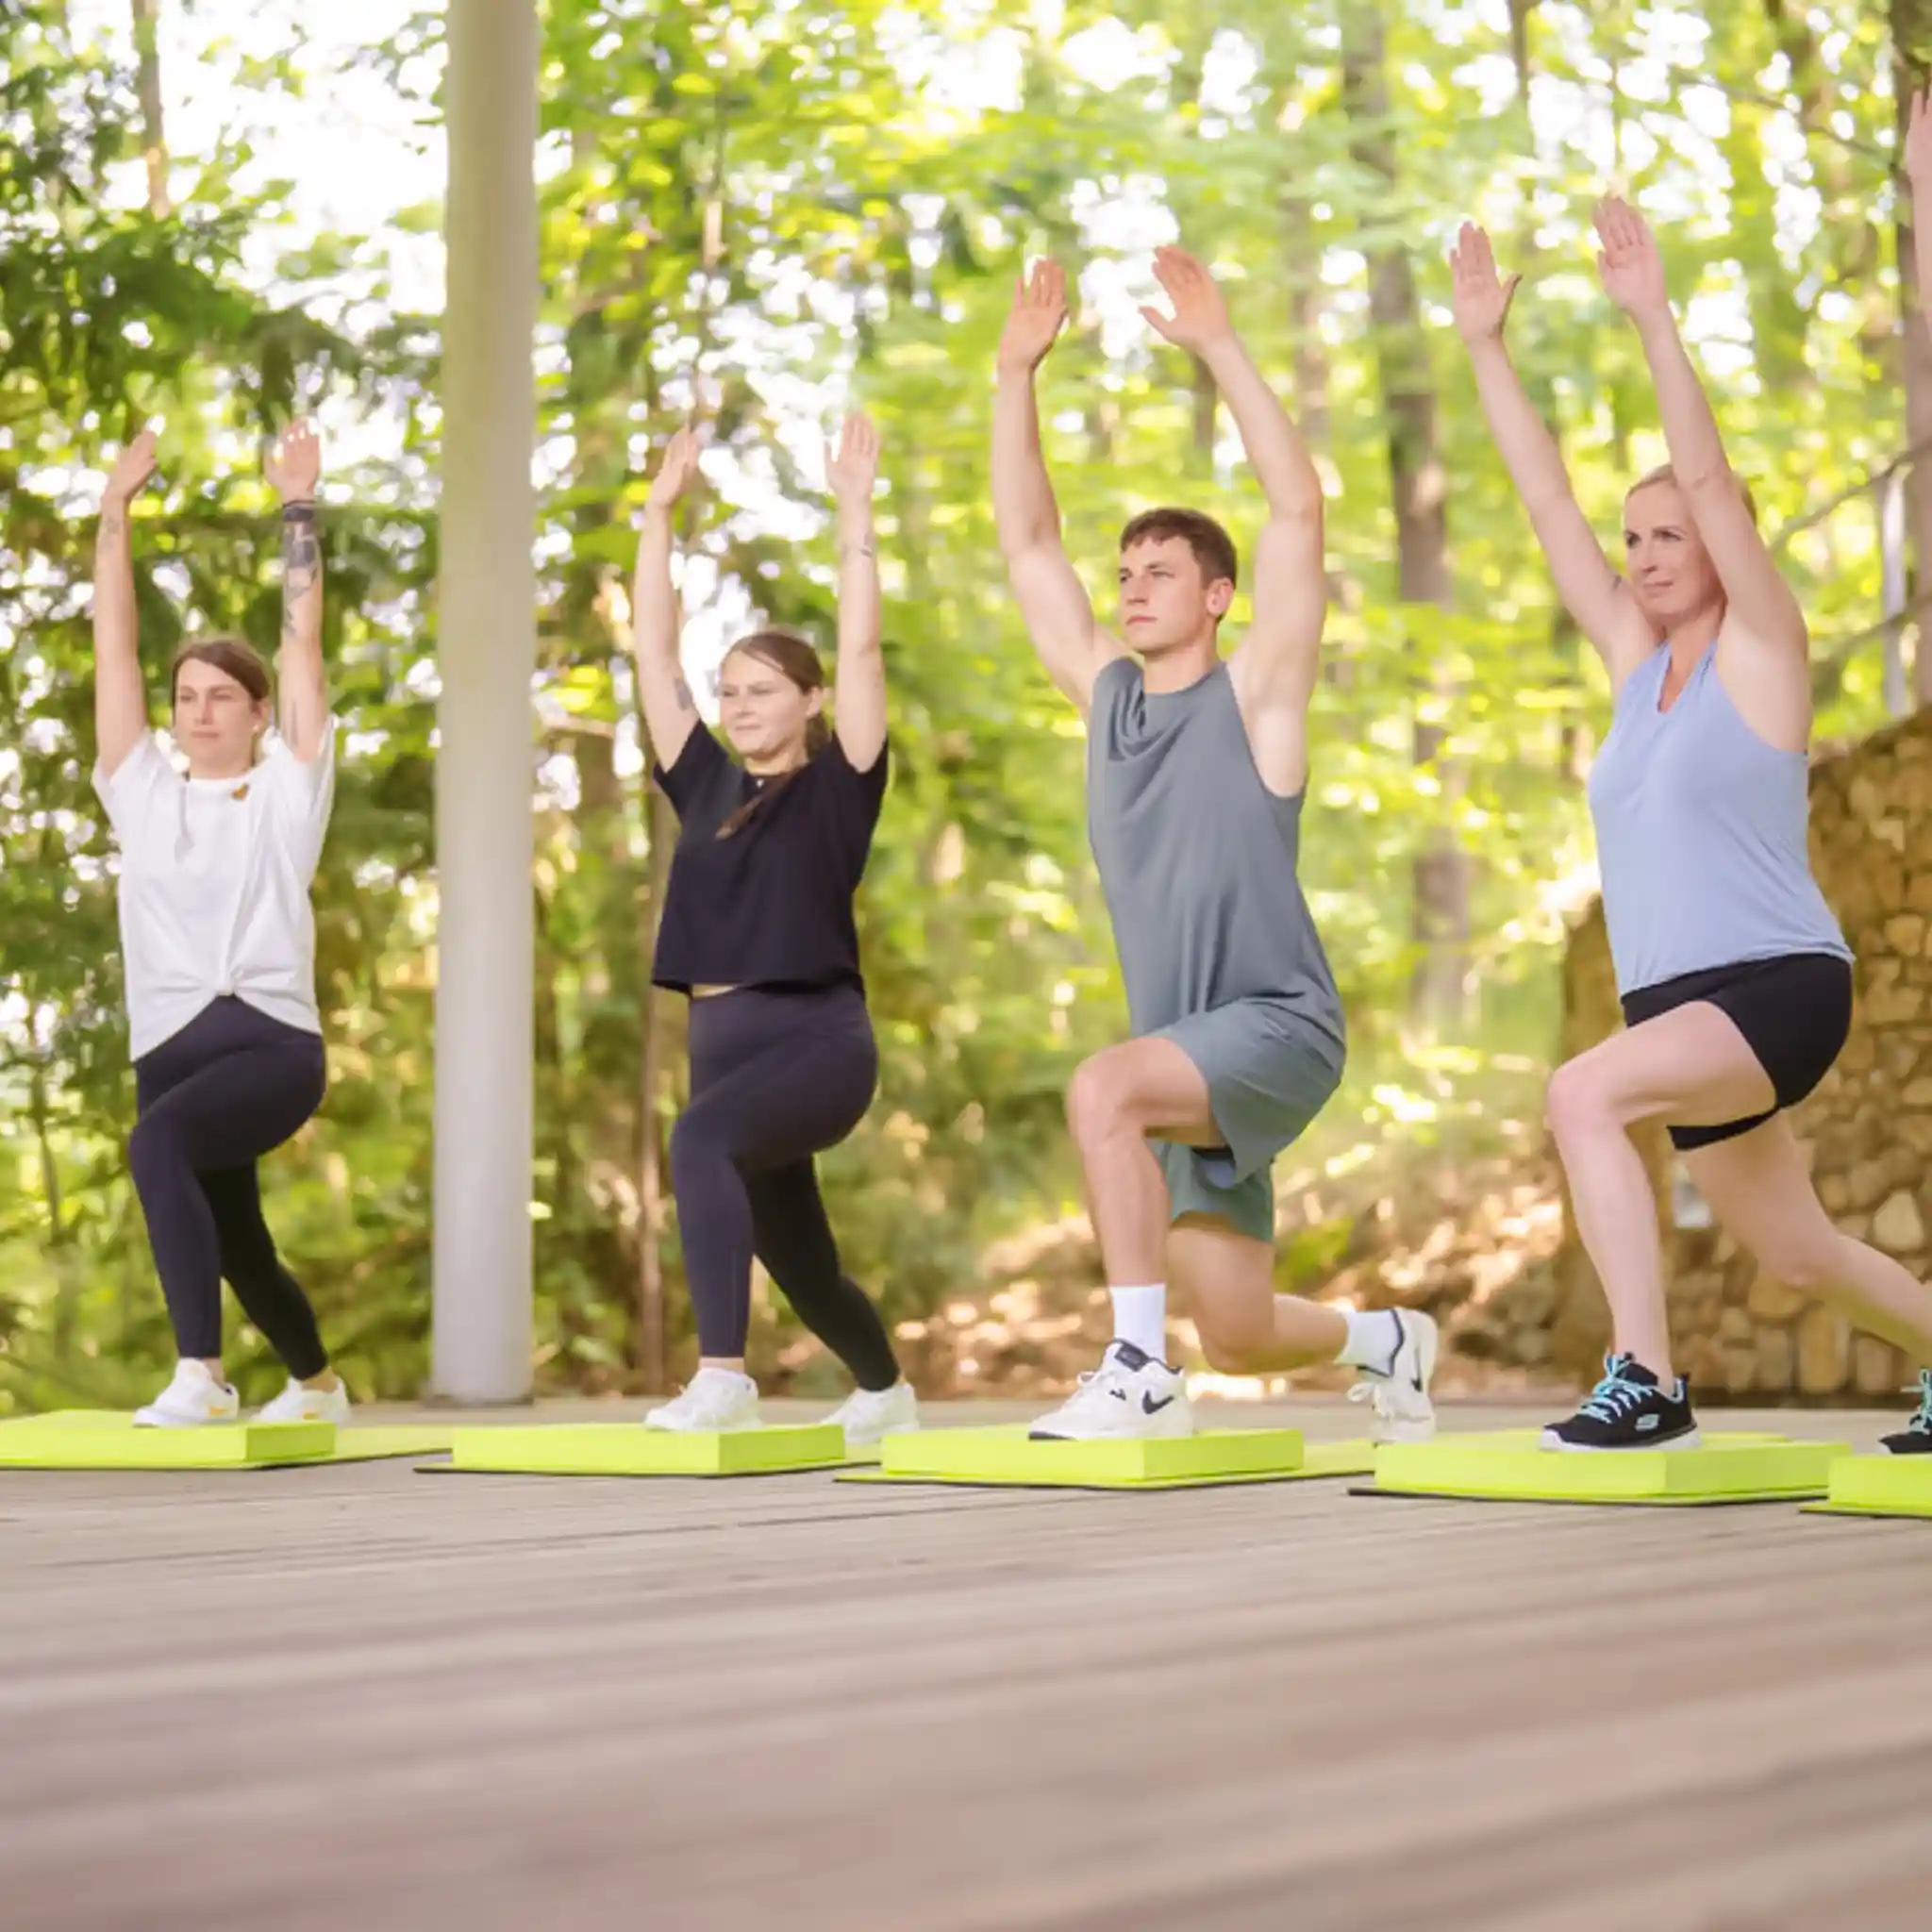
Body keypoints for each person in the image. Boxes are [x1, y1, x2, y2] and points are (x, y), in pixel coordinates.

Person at [1451, 202, 1932, 1454]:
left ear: (1725, 547)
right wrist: (1486, 352)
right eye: (1638, 540)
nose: (1648, 555)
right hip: (1680, 1006)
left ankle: (1647, 1381)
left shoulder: (1767, 651)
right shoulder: (1633, 666)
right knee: (1799, 1252)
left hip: (1779, 985)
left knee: (1581, 1096)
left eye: (1672, 537)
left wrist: (1653, 317)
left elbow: (1709, 479)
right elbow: (1549, 505)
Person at [991, 247, 1439, 1443]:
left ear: (1217, 596)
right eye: (1125, 572)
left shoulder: (1256, 700)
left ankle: (1134, 1370)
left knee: (1101, 1087)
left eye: (1160, 573)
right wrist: (1012, 376)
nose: (1132, 589)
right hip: (1183, 1054)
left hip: (1276, 1024)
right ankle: (1387, 1341)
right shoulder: (1107, 704)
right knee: (1236, 1328)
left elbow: (1300, 510)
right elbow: (1030, 547)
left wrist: (1221, 348)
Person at [629, 414, 918, 1445]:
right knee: (799, 1258)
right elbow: (651, 644)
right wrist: (658, 516)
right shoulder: (700, 776)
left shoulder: (842, 782)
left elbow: (861, 640)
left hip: (815, 1042)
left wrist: (852, 508)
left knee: (698, 1141)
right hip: (724, 1047)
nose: (740, 706)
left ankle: (721, 1376)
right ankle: (886, 1388)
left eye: (762, 691)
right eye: (729, 692)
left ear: (812, 701)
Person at [92, 423, 348, 1427]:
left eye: (222, 698)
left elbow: (302, 645)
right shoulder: (140, 788)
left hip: (271, 1041)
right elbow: (113, 646)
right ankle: (319, 1385)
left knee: (156, 1148)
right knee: (235, 1233)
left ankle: (201, 1373)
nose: (200, 713)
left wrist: (298, 508)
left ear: (256, 713)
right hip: (169, 1045)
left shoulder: (290, 790)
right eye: (186, 697)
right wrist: (114, 511)